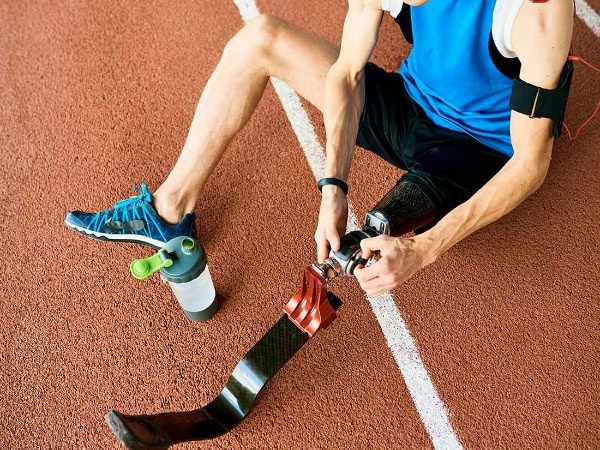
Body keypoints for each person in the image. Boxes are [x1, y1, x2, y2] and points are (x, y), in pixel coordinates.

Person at [65, 0, 574, 296]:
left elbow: (532, 162)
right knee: (258, 37)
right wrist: (333, 184)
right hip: (410, 100)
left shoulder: (534, 12)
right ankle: (168, 211)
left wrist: (423, 248)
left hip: (480, 148)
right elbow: (347, 74)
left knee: (378, 237)